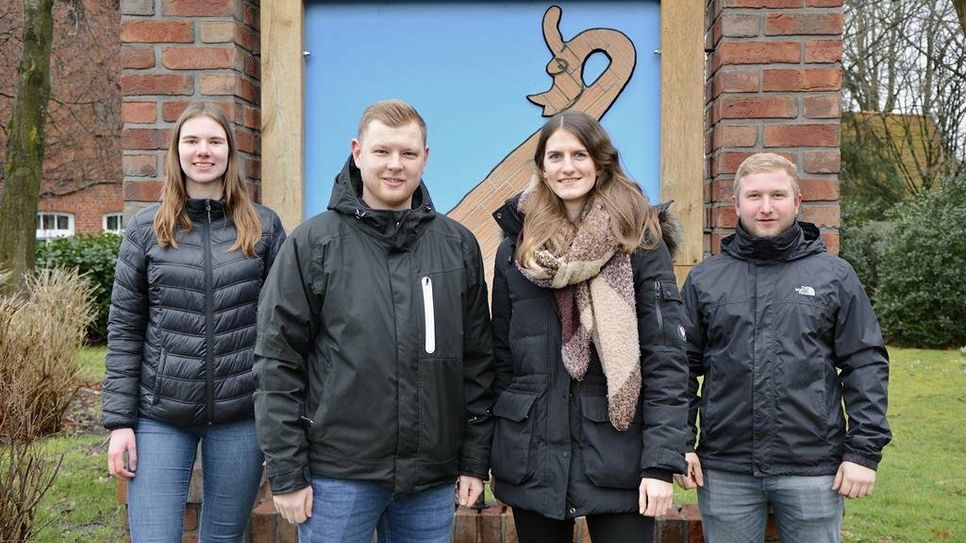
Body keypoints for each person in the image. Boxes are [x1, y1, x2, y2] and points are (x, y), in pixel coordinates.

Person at [253, 99, 494, 543]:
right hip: (337, 476)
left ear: (425, 156)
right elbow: (276, 361)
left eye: (407, 153)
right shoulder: (314, 243)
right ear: (358, 152)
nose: (394, 165)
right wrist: (287, 471)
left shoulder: (457, 245)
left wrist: (474, 460)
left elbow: (478, 362)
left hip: (431, 478)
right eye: (382, 151)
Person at [489, 110, 690, 543]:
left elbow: (666, 360)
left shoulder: (640, 240)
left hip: (619, 454)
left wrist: (659, 464)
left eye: (579, 154)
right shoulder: (517, 250)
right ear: (542, 167)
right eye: (555, 156)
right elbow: (501, 360)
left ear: (601, 162)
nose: (567, 167)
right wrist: (497, 453)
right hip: (534, 456)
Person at [675, 152, 891, 543]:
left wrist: (863, 453)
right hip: (725, 469)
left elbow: (865, 364)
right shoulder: (706, 279)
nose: (766, 207)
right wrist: (681, 443)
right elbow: (680, 368)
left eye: (778, 195)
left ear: (797, 202)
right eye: (755, 196)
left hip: (814, 469)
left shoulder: (834, 276)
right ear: (736, 204)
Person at [102, 103, 286, 542]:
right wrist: (119, 423)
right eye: (192, 141)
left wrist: (281, 420)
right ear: (177, 151)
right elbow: (125, 329)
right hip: (159, 416)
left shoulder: (264, 227)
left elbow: (285, 330)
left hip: (241, 417)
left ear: (229, 153)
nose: (203, 151)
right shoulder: (146, 230)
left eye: (214, 141)